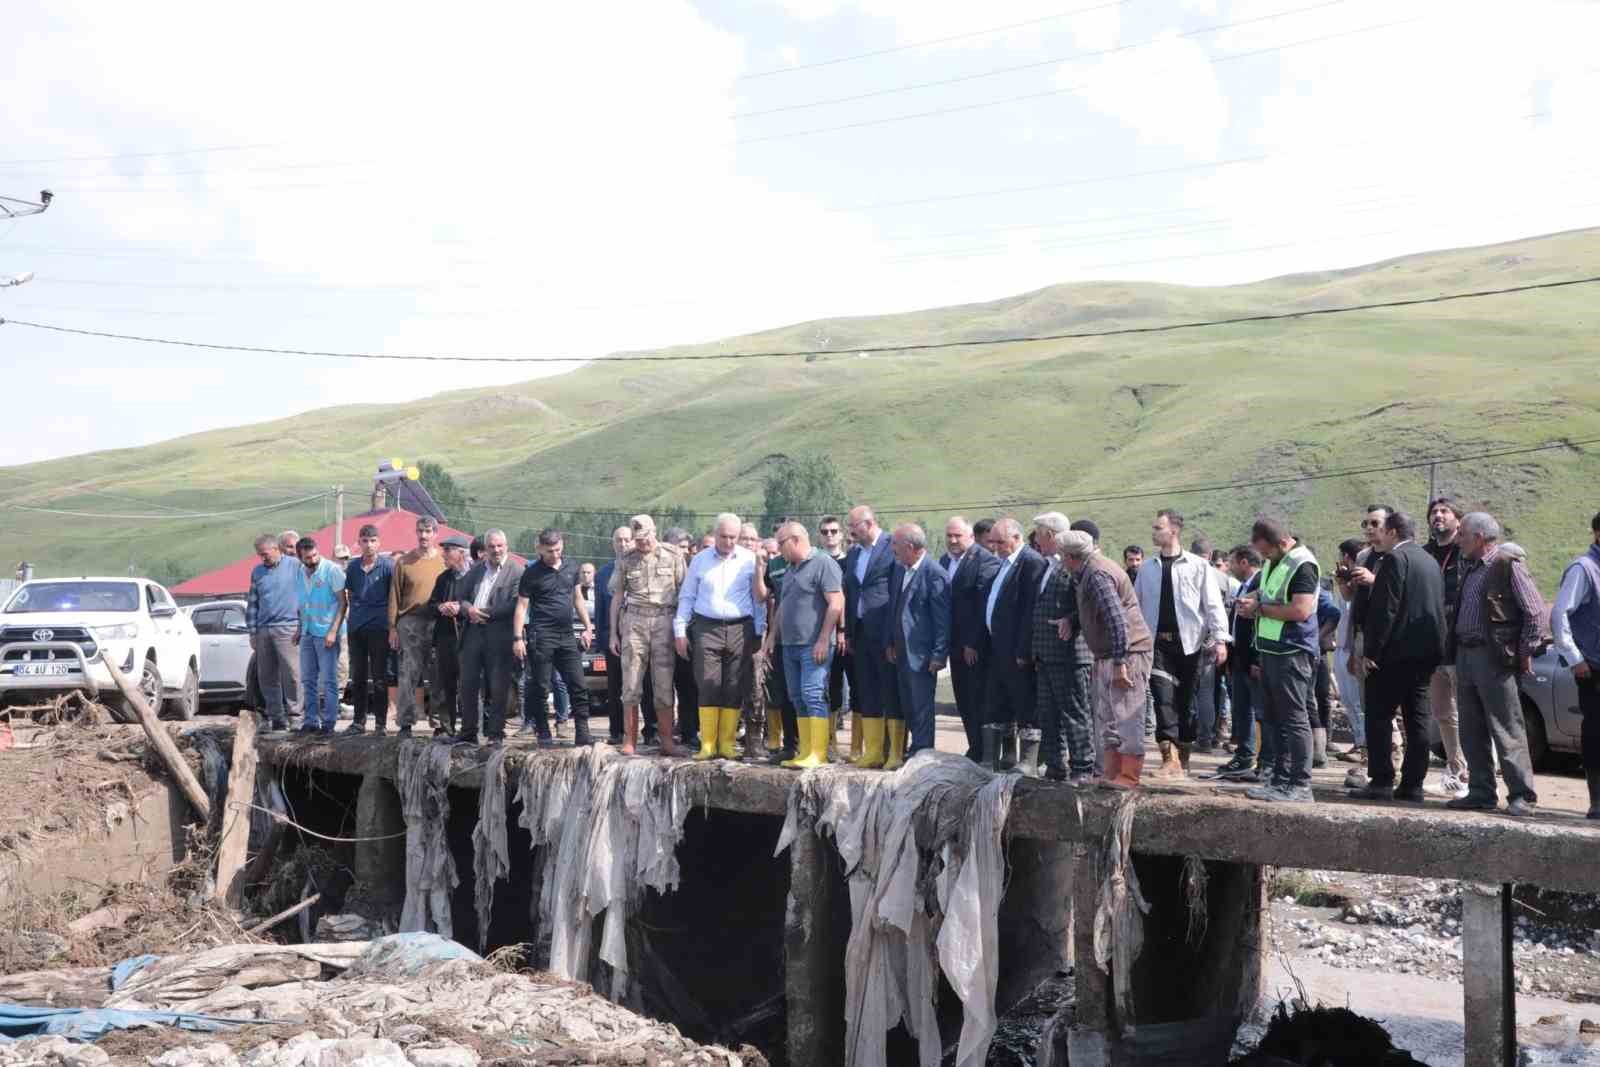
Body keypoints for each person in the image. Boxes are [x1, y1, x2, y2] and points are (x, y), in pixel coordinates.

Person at [1444, 512, 1545, 816]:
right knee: (1471, 730)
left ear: (1478, 537)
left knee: (1507, 728)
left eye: (1462, 534)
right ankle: (1481, 792)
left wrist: (1524, 652)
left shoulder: (1506, 565)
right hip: (1466, 657)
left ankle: (1522, 796)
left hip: (1494, 658)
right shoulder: (1472, 568)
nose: (1458, 539)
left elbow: (1535, 612)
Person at [1351, 511, 1445, 802]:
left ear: (1392, 532)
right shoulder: (1430, 560)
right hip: (1426, 654)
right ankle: (1413, 785)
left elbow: (1386, 609)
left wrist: (1371, 653)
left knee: (1379, 716)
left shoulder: (1394, 559)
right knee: (1418, 720)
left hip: (1394, 655)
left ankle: (1381, 781)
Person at [1133, 509, 1230, 779]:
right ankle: (1169, 759)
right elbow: (1137, 607)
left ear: (1173, 531)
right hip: (1157, 644)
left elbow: (1212, 605)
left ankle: (1183, 756)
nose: (1154, 532)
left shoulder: (1198, 567)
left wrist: (1220, 639)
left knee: (1186, 702)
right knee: (1163, 698)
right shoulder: (1147, 569)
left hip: (1190, 644)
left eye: (1158, 528)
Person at [1235, 520, 1320, 803]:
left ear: (1281, 542)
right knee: (1274, 719)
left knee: (1295, 719)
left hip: (1292, 652)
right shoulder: (1275, 562)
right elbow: (1272, 594)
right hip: (1271, 651)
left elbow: (1300, 610)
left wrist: (1259, 609)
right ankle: (1280, 781)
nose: (1265, 558)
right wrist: (1253, 598)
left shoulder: (1303, 564)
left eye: (1267, 552)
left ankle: (1300, 784)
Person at [1060, 531, 1153, 788]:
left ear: (1070, 556)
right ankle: (1111, 773)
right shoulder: (1087, 571)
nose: (1060, 560)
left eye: (1061, 556)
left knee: (1126, 713)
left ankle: (1129, 776)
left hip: (1127, 652)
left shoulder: (1098, 575)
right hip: (1109, 652)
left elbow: (1117, 620)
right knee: (1108, 715)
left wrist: (1120, 662)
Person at [676, 514, 759, 761]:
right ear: (716, 534)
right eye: (723, 536)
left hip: (740, 627)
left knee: (734, 686)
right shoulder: (700, 561)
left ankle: (727, 744)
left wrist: (760, 629)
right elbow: (687, 596)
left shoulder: (749, 560)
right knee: (708, 683)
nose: (729, 541)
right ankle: (708, 744)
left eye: (733, 537)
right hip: (705, 627)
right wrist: (680, 630)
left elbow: (757, 598)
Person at [767, 521, 844, 769]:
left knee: (813, 694)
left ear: (796, 539)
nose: (779, 549)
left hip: (813, 644)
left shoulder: (823, 563)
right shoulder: (791, 569)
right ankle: (805, 751)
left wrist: (824, 638)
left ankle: (818, 753)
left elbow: (836, 603)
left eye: (782, 543)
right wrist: (771, 638)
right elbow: (782, 606)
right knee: (797, 697)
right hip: (789, 645)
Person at [610, 515, 687, 757]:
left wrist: (681, 630)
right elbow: (617, 595)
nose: (642, 543)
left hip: (665, 619)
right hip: (634, 621)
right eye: (638, 539)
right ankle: (629, 740)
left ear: (655, 532)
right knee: (631, 683)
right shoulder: (627, 558)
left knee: (663, 683)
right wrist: (613, 632)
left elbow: (684, 593)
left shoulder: (674, 555)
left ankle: (666, 740)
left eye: (645, 538)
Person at [513, 528, 596, 748]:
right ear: (540, 548)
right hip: (542, 635)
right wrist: (518, 638)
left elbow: (578, 599)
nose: (555, 554)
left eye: (558, 549)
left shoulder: (572, 567)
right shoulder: (532, 573)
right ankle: (543, 731)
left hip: (567, 635)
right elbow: (522, 607)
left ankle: (582, 732)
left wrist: (588, 627)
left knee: (577, 684)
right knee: (540, 687)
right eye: (550, 551)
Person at [877, 523, 949, 768]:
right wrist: (889, 641)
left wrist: (939, 654)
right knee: (907, 703)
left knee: (921, 706)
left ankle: (923, 754)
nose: (892, 549)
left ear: (909, 546)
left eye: (895, 544)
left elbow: (942, 619)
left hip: (922, 654)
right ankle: (912, 750)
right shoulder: (899, 569)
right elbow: (893, 609)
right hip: (900, 651)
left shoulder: (934, 573)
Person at [1032, 513, 1096, 783]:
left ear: (1049, 535)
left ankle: (1082, 767)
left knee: (1074, 713)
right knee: (1048, 714)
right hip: (1046, 654)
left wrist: (1070, 621)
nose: (1035, 539)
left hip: (1070, 655)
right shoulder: (1046, 566)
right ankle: (1056, 765)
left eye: (1038, 534)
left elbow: (1089, 605)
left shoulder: (1074, 565)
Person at [980, 517, 1048, 770]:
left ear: (1017, 538)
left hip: (1017, 650)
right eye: (992, 541)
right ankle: (998, 757)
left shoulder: (1031, 563)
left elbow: (1030, 610)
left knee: (1025, 703)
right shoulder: (1003, 562)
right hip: (997, 647)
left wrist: (1023, 649)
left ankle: (1028, 761)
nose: (994, 546)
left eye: (1000, 541)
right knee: (997, 701)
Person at [449, 530, 525, 746]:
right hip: (472, 634)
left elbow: (514, 604)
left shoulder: (517, 571)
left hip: (499, 635)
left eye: (500, 546)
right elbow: (460, 598)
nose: (496, 550)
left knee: (498, 686)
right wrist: (468, 610)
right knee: (468, 684)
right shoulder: (476, 570)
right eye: (492, 546)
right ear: (486, 548)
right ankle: (468, 732)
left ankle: (495, 734)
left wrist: (483, 613)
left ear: (506, 546)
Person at [1421, 496, 1471, 797]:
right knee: (1442, 711)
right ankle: (1456, 769)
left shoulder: (1465, 552)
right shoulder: (1425, 555)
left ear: (1458, 520)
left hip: (1462, 642)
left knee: (1468, 711)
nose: (1438, 516)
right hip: (1432, 645)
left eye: (1444, 511)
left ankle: (1476, 774)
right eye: (1434, 512)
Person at [1552, 511, 1600, 819]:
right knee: (1596, 733)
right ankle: (1598, 802)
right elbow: (1559, 615)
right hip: (1593, 669)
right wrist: (1575, 659)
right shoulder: (1584, 569)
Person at [941, 515, 1001, 761]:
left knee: (978, 698)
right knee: (963, 697)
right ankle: (973, 746)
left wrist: (971, 642)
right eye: (949, 536)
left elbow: (982, 606)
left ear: (971, 536)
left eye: (958, 536)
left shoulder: (984, 561)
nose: (953, 540)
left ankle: (984, 751)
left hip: (973, 646)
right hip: (952, 643)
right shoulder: (945, 560)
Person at [843, 505, 899, 768]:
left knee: (890, 689)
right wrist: (850, 632)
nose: (850, 530)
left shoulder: (892, 546)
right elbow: (852, 592)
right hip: (861, 631)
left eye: (853, 525)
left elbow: (898, 591)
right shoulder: (854, 554)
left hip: (885, 631)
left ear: (868, 523)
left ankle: (895, 752)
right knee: (867, 691)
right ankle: (873, 751)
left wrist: (893, 635)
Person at [388, 517, 446, 737]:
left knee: (439, 672)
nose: (423, 535)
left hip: (438, 621)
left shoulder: (443, 560)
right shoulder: (404, 562)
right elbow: (394, 596)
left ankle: (440, 723)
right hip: (409, 622)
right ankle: (405, 722)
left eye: (428, 531)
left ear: (435, 534)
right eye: (420, 531)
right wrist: (392, 627)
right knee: (408, 673)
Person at [1216, 546, 1265, 781]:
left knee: (1257, 711)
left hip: (1252, 659)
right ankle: (1244, 755)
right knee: (1241, 709)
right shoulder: (1245, 585)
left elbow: (1260, 625)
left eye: (1232, 562)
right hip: (1239, 657)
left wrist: (1257, 659)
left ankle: (1262, 760)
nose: (1230, 567)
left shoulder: (1260, 584)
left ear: (1244, 562)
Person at [338, 525, 394, 734]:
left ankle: (380, 724)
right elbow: (350, 594)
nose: (368, 545)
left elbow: (393, 597)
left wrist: (392, 627)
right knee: (359, 677)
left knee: (380, 677)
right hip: (357, 628)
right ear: (359, 542)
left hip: (380, 627)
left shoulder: (389, 566)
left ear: (378, 542)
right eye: (364, 540)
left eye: (372, 541)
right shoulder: (352, 567)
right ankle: (358, 722)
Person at [246, 533, 303, 732]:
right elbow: (252, 603)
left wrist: (302, 625)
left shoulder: (296, 566)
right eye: (260, 555)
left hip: (289, 627)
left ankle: (296, 716)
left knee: (292, 674)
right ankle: (277, 717)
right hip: (264, 630)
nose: (263, 558)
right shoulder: (258, 572)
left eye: (265, 554)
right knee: (267, 676)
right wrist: (252, 632)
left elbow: (306, 595)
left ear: (276, 549)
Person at [294, 537, 345, 735]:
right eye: (308, 557)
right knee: (308, 679)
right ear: (301, 558)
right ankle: (310, 721)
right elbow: (302, 604)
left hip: (326, 633)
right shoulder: (300, 572)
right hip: (307, 632)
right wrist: (299, 629)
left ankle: (329, 722)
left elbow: (343, 602)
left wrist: (333, 631)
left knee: (329, 680)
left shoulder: (332, 570)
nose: (313, 559)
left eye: (315, 555)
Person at [423, 534, 471, 737]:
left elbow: (482, 604)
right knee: (445, 684)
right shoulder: (443, 578)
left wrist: (460, 608)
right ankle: (447, 727)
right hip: (445, 637)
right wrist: (441, 607)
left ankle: (471, 729)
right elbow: (430, 605)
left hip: (470, 637)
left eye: (448, 550)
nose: (444, 554)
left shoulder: (476, 576)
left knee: (470, 685)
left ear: (461, 553)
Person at [1330, 539, 1369, 783]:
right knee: (1347, 698)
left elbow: (1353, 606)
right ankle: (1359, 742)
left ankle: (1364, 745)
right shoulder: (1348, 581)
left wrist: (1346, 582)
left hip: (1355, 645)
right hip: (1344, 644)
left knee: (1358, 700)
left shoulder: (1360, 581)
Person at [817, 516, 852, 746]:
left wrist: (842, 629)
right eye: (825, 531)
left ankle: (850, 742)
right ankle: (824, 739)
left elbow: (845, 598)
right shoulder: (815, 561)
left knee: (840, 683)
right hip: (818, 630)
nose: (830, 535)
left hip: (844, 631)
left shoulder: (851, 562)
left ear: (841, 534)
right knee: (821, 683)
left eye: (834, 531)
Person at [595, 525, 631, 745]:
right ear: (613, 543)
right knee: (614, 686)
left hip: (640, 634)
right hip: (614, 637)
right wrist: (603, 639)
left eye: (627, 540)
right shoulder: (603, 573)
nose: (623, 544)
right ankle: (616, 731)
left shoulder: (642, 567)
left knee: (643, 685)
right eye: (619, 540)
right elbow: (600, 609)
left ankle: (650, 731)